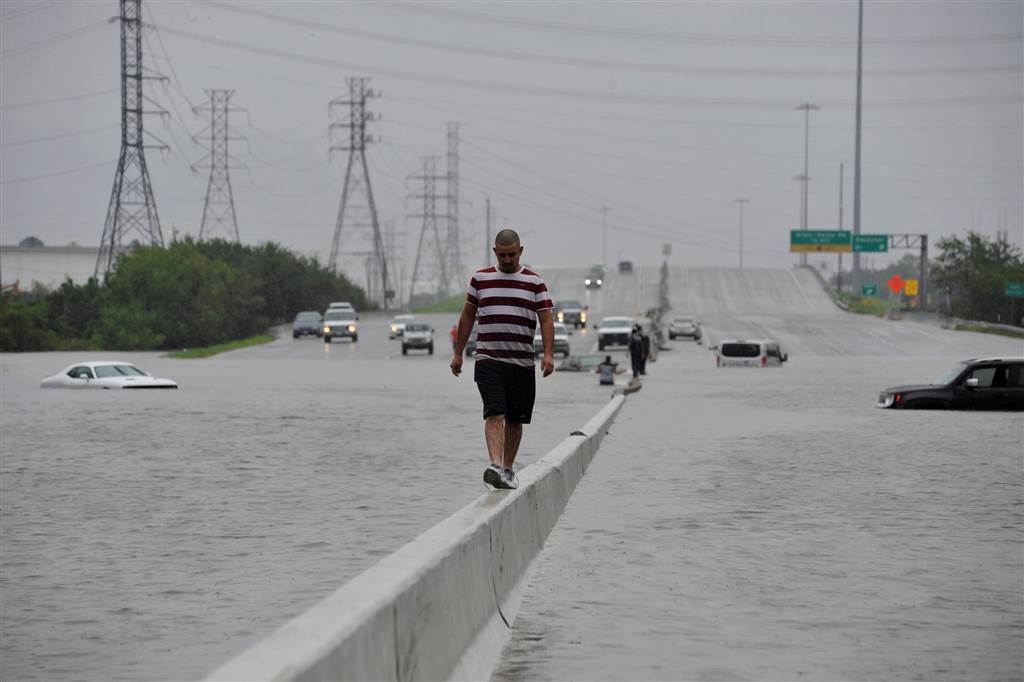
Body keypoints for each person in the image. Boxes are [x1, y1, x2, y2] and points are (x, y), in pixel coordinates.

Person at [450, 229, 555, 490]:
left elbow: (546, 319)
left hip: (522, 362)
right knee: (494, 411)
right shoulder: (480, 279)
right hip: (489, 358)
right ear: (495, 252)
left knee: (516, 419)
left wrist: (549, 354)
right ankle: (495, 465)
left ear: (521, 251)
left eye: (512, 254)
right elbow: (467, 316)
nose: (507, 259)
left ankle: (508, 469)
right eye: (503, 255)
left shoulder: (535, 282)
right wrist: (458, 352)